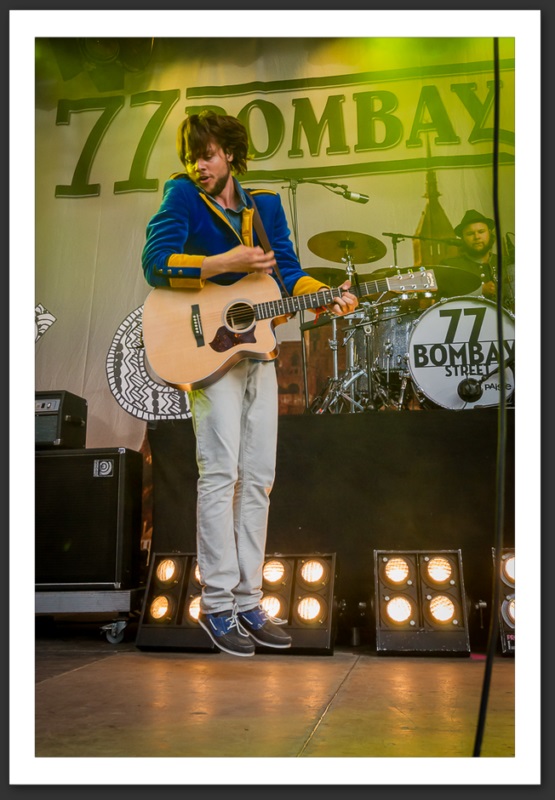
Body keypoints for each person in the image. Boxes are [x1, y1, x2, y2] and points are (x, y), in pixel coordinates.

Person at [141, 111, 358, 657]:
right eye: (191, 155)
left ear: (231, 152)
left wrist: (322, 291)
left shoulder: (264, 204)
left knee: (258, 478)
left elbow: (286, 271)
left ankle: (248, 600)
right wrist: (221, 263)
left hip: (258, 349)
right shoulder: (183, 195)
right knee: (220, 475)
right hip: (205, 356)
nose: (197, 164)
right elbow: (155, 263)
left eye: (207, 154)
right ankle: (216, 605)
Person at [443, 209, 515, 313]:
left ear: (489, 234)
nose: (477, 237)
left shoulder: (507, 262)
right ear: (462, 238)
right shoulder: (450, 266)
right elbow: (444, 299)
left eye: (481, 232)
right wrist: (480, 291)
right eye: (470, 233)